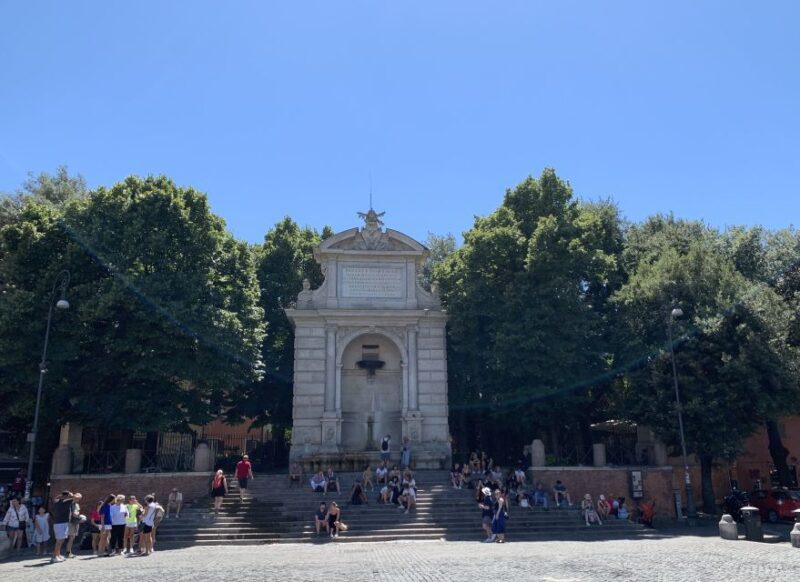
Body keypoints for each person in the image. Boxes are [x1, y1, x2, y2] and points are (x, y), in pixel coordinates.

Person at [51, 490, 74, 562]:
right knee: (59, 540)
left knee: (62, 540)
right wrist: (71, 494)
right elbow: (77, 497)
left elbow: (55, 498)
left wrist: (60, 495)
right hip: (60, 523)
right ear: (67, 496)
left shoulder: (56, 501)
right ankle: (54, 556)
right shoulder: (68, 501)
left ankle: (58, 555)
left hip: (61, 523)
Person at [65, 492, 84, 558]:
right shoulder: (70, 504)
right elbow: (74, 514)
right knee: (71, 537)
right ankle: (68, 552)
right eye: (77, 498)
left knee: (72, 538)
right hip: (71, 522)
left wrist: (79, 516)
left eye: (79, 499)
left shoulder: (77, 504)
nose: (78, 499)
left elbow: (77, 512)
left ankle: (69, 552)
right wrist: (80, 517)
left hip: (76, 522)